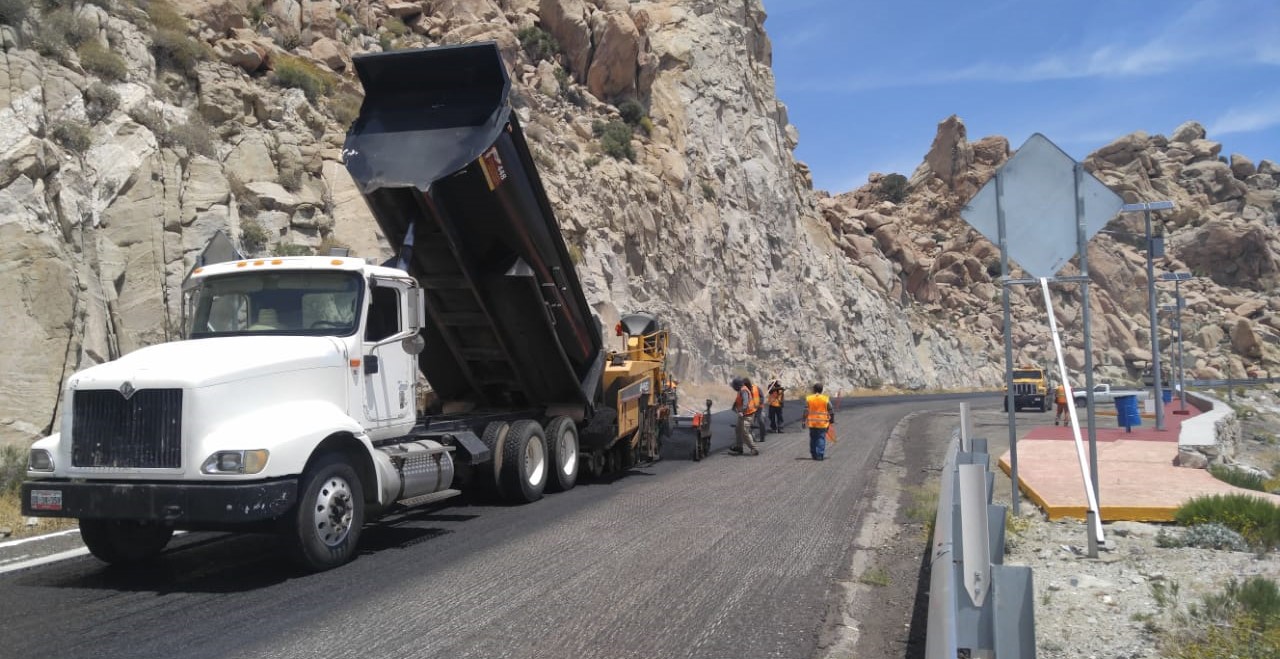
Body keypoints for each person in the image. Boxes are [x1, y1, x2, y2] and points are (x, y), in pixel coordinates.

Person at [730, 377, 759, 456]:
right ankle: (739, 447)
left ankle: (754, 449)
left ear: (737, 386)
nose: (733, 388)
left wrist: (742, 411)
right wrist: (734, 406)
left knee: (745, 432)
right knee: (738, 429)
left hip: (747, 415)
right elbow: (738, 400)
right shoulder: (740, 390)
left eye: (734, 386)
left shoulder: (744, 391)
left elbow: (745, 403)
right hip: (743, 414)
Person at [804, 383, 834, 461]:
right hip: (822, 423)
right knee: (821, 438)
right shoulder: (825, 399)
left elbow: (805, 411)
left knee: (813, 438)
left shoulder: (809, 398)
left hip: (812, 423)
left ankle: (814, 454)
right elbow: (831, 410)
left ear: (814, 390)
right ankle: (820, 455)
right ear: (822, 390)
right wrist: (831, 420)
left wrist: (803, 421)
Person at [744, 377, 766, 443]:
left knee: (761, 421)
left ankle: (762, 437)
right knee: (750, 423)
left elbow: (762, 397)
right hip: (751, 409)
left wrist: (759, 403)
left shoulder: (756, 388)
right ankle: (752, 437)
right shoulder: (744, 391)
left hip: (759, 408)